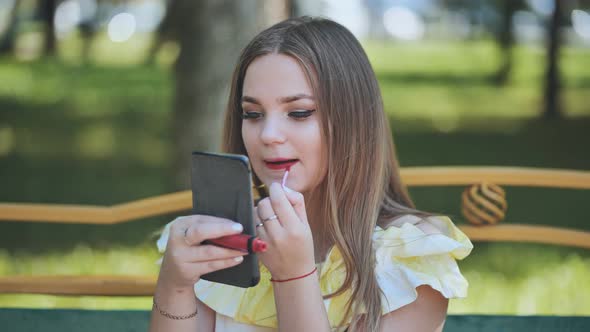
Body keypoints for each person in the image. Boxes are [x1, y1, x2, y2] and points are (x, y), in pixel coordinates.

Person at [149, 16, 473, 332]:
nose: (268, 134)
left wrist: (293, 276)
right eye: (253, 114)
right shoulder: (226, 242)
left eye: (299, 112)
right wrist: (174, 286)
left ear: (353, 122)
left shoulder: (409, 260)